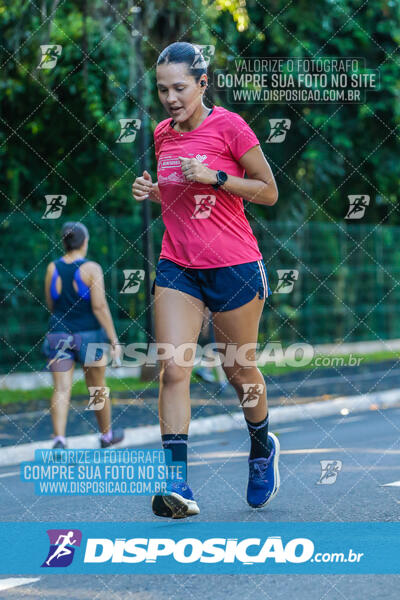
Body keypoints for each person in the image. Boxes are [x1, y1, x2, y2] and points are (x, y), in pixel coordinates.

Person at [132, 42, 279, 519]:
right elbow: (182, 203)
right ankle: (178, 485)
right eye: (162, 89)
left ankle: (262, 446)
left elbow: (268, 192)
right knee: (173, 369)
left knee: (239, 373)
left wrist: (216, 177)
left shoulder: (230, 127)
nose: (171, 98)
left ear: (202, 83)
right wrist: (155, 192)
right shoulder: (162, 133)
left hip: (234, 266)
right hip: (178, 266)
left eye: (179, 88)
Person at [42, 221, 124, 449]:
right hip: (90, 336)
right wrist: (113, 338)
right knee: (97, 386)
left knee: (61, 388)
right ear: (84, 242)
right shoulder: (92, 269)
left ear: (64, 242)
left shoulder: (52, 268)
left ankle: (59, 439)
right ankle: (106, 436)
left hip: (59, 333)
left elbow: (51, 302)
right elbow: (99, 307)